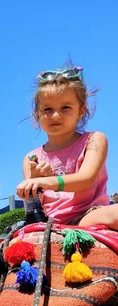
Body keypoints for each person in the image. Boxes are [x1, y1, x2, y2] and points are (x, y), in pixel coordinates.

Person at [15, 64, 118, 230]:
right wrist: (34, 181)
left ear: (81, 110)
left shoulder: (94, 140)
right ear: (37, 114)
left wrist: (48, 181)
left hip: (88, 214)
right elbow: (32, 203)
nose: (55, 115)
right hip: (51, 221)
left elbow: (87, 179)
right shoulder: (30, 158)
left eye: (65, 108)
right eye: (47, 109)